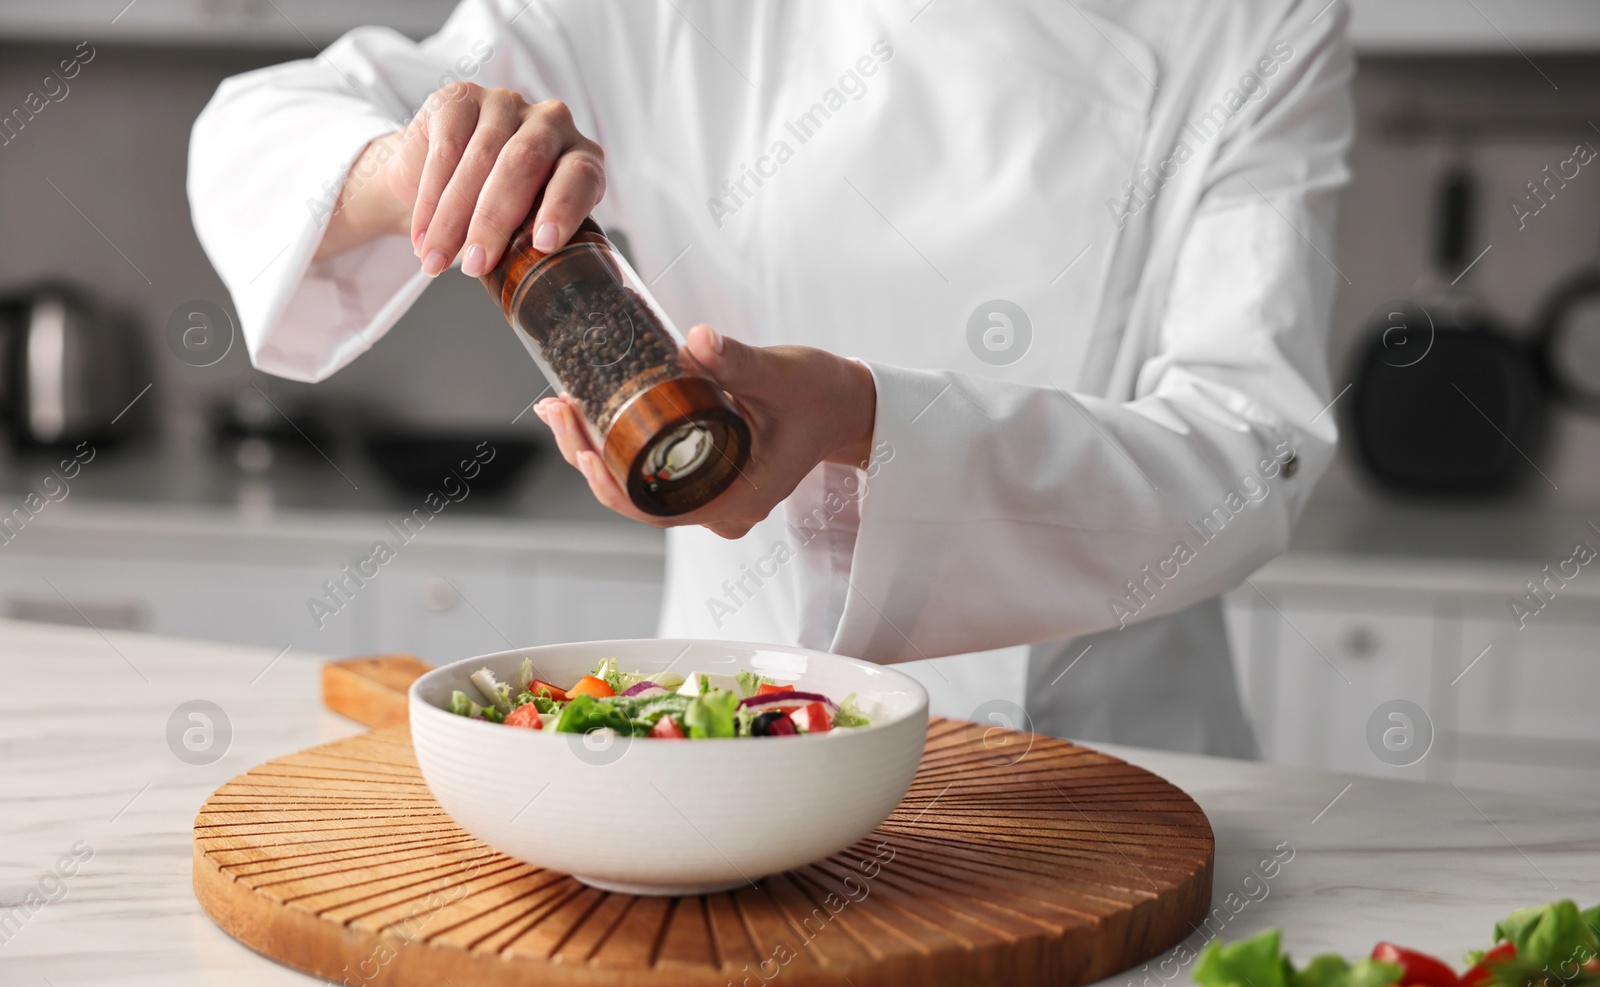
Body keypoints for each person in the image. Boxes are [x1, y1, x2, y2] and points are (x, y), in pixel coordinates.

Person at [188, 0, 1353, 757]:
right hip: (734, 741)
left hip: (1111, 760)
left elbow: (1249, 456)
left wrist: (864, 423)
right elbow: (259, 126)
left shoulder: (1254, 24)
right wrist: (413, 164)